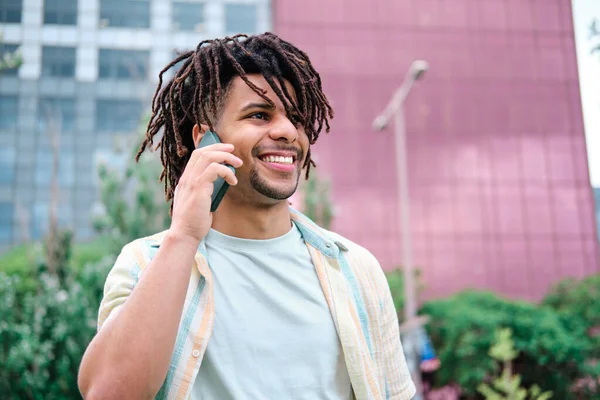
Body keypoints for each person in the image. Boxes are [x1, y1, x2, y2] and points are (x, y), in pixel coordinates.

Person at [77, 32, 416, 400]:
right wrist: (184, 235)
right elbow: (108, 392)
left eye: (297, 118)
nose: (287, 131)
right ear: (206, 139)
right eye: (259, 114)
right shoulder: (146, 263)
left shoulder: (355, 270)